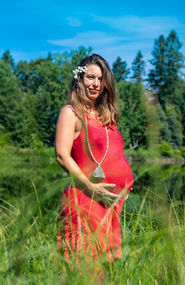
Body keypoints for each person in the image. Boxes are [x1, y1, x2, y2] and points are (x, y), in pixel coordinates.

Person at [56, 54, 133, 263]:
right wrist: (90, 186)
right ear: (79, 79)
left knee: (108, 265)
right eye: (90, 77)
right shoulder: (70, 113)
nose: (96, 84)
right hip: (84, 197)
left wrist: (123, 187)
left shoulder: (107, 118)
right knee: (83, 264)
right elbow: (62, 155)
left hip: (110, 203)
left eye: (100, 79)